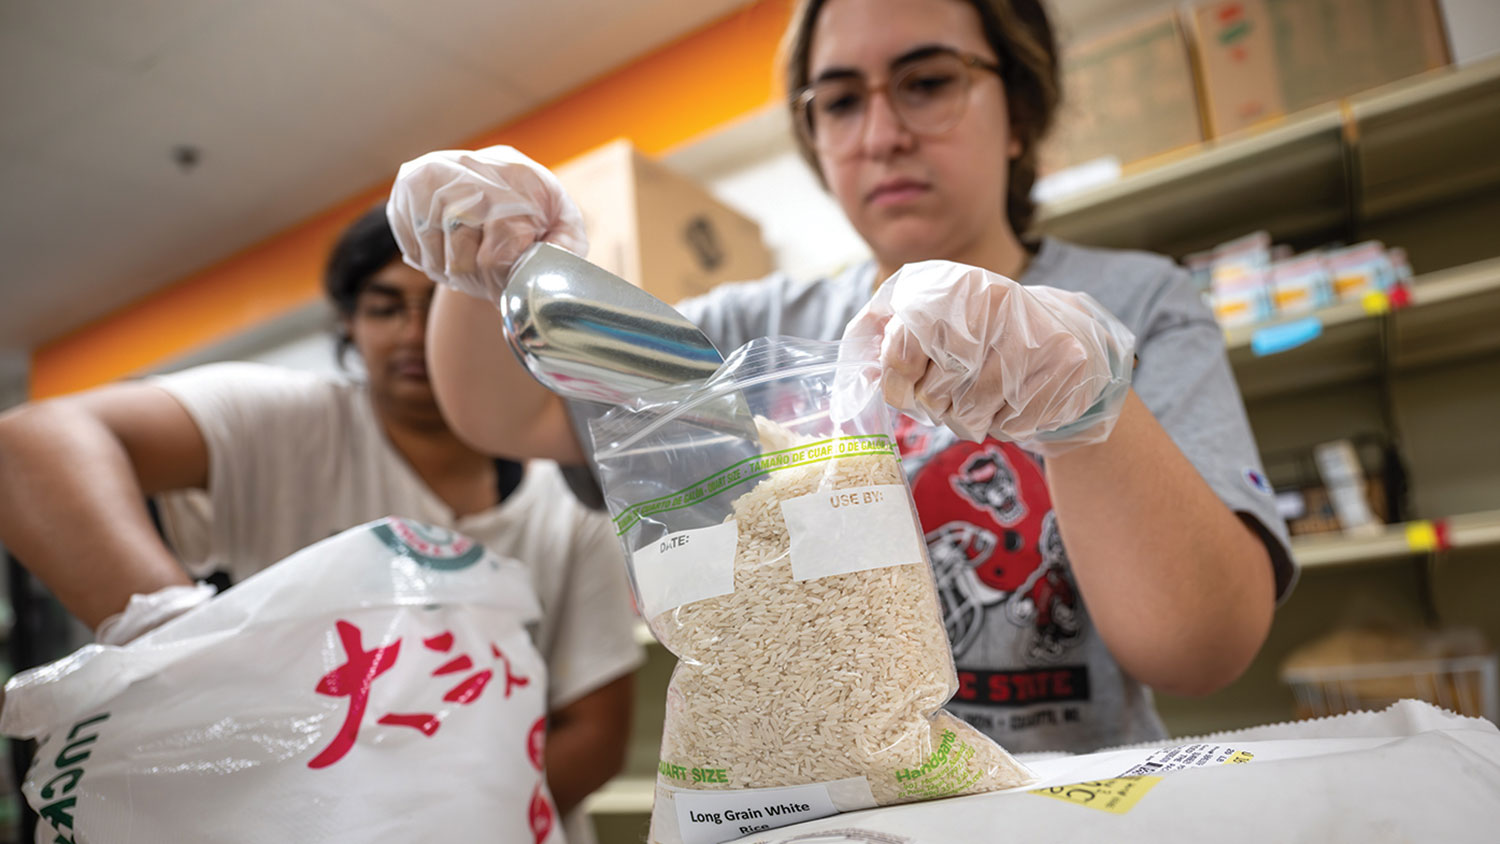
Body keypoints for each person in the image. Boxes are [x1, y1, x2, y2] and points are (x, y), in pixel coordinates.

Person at [386, 0, 1296, 754]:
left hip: (1055, 805)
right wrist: (494, 266)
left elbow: (1200, 649)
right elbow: (506, 417)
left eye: (929, 83)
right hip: (820, 805)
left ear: (1018, 113)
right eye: (839, 101)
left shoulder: (1135, 300)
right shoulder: (756, 328)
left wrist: (1087, 405)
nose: (882, 134)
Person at [0, 205, 641, 841]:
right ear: (348, 325)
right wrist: (169, 635)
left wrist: (428, 822)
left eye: (442, 306)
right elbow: (30, 446)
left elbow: (594, 732)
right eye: (386, 308)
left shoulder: (569, 499)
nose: (414, 334)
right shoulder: (286, 424)